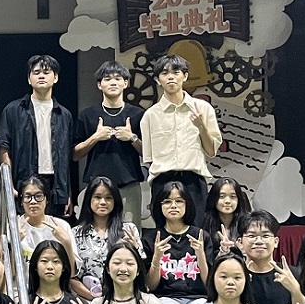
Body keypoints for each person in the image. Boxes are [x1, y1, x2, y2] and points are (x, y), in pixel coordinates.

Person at [140, 55, 222, 225]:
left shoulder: (203, 108)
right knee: (164, 231)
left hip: (194, 179)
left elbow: (211, 151)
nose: (170, 77)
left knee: (196, 230)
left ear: (185, 76)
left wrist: (201, 126)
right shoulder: (150, 115)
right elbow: (149, 157)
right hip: (162, 180)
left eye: (176, 72)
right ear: (157, 80)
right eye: (164, 73)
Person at [0, 55, 78, 220]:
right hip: (24, 181)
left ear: (55, 77)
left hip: (55, 184)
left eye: (46, 72)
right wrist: (8, 185)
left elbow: (66, 157)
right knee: (25, 229)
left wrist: (68, 192)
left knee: (54, 229)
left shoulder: (65, 115)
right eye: (36, 72)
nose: (41, 76)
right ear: (29, 79)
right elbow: (4, 148)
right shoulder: (13, 110)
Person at [74, 61, 145, 223]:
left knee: (130, 231)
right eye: (107, 79)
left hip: (129, 184)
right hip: (96, 185)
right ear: (99, 85)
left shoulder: (138, 114)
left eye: (118, 78)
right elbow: (75, 154)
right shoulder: (87, 115)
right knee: (96, 229)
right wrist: (95, 137)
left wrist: (132, 138)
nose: (113, 82)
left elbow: (149, 154)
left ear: (125, 83)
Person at [73, 176, 142, 299]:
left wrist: (135, 249)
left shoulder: (128, 229)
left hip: (123, 297)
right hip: (87, 299)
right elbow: (71, 277)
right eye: (97, 197)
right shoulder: (76, 233)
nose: (103, 202)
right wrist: (95, 300)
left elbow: (141, 271)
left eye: (108, 198)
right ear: (89, 199)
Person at [16, 176, 80, 269]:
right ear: (21, 201)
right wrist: (16, 242)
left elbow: (73, 272)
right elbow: (10, 272)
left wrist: (66, 242)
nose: (33, 201)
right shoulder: (13, 227)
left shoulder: (62, 226)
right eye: (27, 197)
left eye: (39, 196)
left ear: (47, 199)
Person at [203, 177, 252, 258]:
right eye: (222, 196)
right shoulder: (204, 224)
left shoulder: (248, 225)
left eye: (233, 197)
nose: (227, 201)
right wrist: (223, 251)